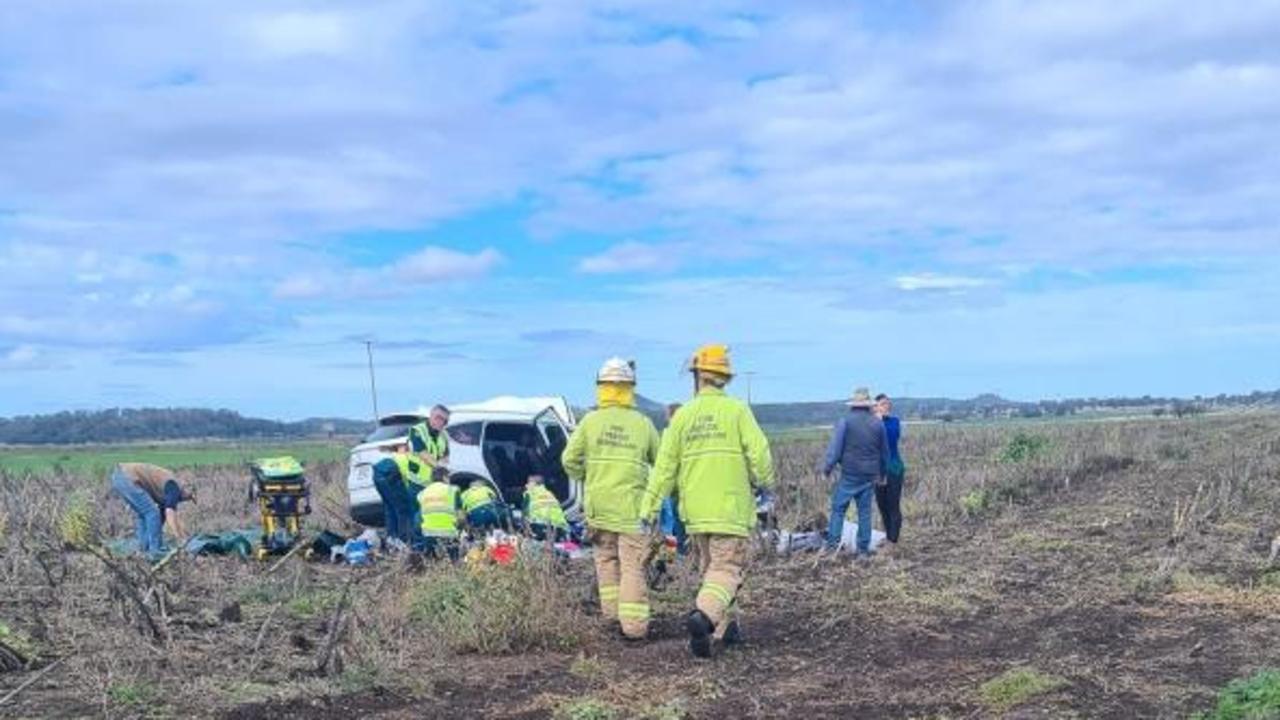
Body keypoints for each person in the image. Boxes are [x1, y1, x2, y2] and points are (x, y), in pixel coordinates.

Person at [641, 344, 775, 658]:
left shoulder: (682, 416)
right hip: (730, 508)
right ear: (724, 377)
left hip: (697, 513)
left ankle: (726, 629)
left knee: (712, 573)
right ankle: (703, 619)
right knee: (728, 570)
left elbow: (663, 469)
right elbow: (760, 455)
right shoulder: (738, 411)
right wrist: (765, 484)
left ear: (698, 376)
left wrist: (648, 508)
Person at [561, 357, 661, 640]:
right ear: (630, 387)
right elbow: (661, 461)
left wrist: (588, 475)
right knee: (632, 566)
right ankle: (634, 628)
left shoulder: (590, 421)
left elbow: (569, 460)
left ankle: (611, 616)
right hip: (631, 508)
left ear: (601, 387)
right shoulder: (642, 423)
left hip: (598, 507)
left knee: (605, 561)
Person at [822, 387, 889, 559]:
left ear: (854, 404)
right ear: (868, 405)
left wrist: (827, 468)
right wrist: (882, 474)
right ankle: (862, 551)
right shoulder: (878, 423)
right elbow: (884, 453)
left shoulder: (845, 421)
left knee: (838, 509)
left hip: (850, 473)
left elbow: (835, 449)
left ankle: (832, 547)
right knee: (864, 512)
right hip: (869, 475)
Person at [109, 463, 195, 559]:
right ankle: (155, 553)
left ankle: (142, 549)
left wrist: (182, 532)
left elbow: (163, 518)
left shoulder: (169, 490)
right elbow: (170, 514)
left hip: (119, 477)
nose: (186, 500)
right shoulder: (174, 488)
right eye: (189, 497)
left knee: (144, 515)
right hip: (128, 477)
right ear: (186, 490)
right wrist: (180, 538)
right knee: (152, 513)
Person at [372, 442, 430, 550]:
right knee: (404, 510)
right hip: (391, 473)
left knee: (390, 507)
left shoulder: (400, 456)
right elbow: (411, 489)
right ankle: (405, 542)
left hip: (378, 473)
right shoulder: (416, 462)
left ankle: (392, 538)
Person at [874, 393, 906, 551]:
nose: (886, 406)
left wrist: (880, 423)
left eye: (888, 404)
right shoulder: (871, 423)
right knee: (882, 505)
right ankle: (888, 536)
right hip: (877, 471)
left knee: (893, 505)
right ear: (875, 407)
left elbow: (891, 439)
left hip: (894, 468)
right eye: (882, 404)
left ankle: (893, 541)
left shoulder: (894, 422)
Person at [659, 403, 687, 554]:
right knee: (682, 524)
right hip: (687, 487)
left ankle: (672, 555)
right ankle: (683, 553)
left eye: (667, 415)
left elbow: (664, 462)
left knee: (670, 525)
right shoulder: (689, 434)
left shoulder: (669, 434)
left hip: (671, 487)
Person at [417, 468, 464, 560]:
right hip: (449, 533)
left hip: (428, 534)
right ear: (444, 477)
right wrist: (462, 529)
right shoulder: (453, 490)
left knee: (431, 562)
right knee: (454, 561)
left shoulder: (422, 493)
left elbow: (420, 516)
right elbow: (461, 517)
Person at [523, 475, 569, 541]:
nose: (526, 485)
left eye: (528, 483)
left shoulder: (529, 493)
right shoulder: (550, 494)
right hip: (559, 527)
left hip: (540, 526)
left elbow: (525, 514)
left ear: (534, 484)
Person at [409, 405, 451, 472]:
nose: (441, 422)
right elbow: (422, 452)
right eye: (438, 418)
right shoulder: (417, 430)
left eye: (445, 421)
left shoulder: (444, 435)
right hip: (416, 476)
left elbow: (445, 456)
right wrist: (438, 466)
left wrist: (443, 466)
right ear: (431, 415)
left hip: (434, 476)